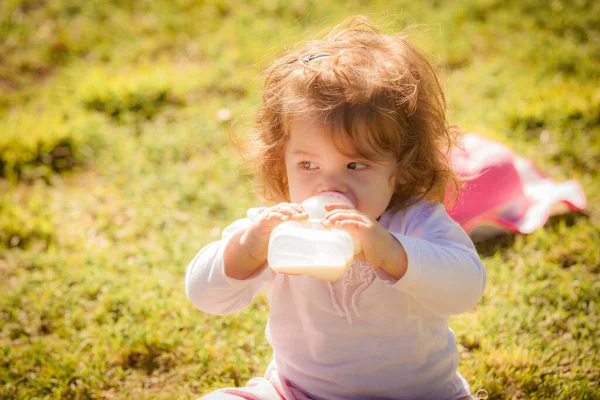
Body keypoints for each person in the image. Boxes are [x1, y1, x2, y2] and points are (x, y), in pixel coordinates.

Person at [186, 16, 486, 400]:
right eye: (308, 165)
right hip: (298, 392)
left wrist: (391, 251)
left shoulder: (416, 221)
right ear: (282, 161)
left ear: (402, 164)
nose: (329, 185)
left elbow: (466, 291)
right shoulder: (277, 228)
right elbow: (204, 295)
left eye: (355, 165)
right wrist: (248, 250)